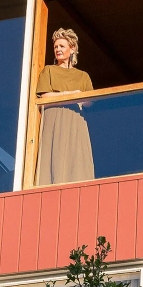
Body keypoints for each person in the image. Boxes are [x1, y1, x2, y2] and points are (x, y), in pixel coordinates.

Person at [34, 28, 95, 185]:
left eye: (61, 46)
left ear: (72, 48)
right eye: (56, 47)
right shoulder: (48, 70)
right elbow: (44, 96)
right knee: (55, 154)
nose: (58, 50)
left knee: (76, 157)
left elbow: (90, 101)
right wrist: (71, 94)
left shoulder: (83, 76)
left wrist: (80, 97)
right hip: (54, 117)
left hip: (75, 119)